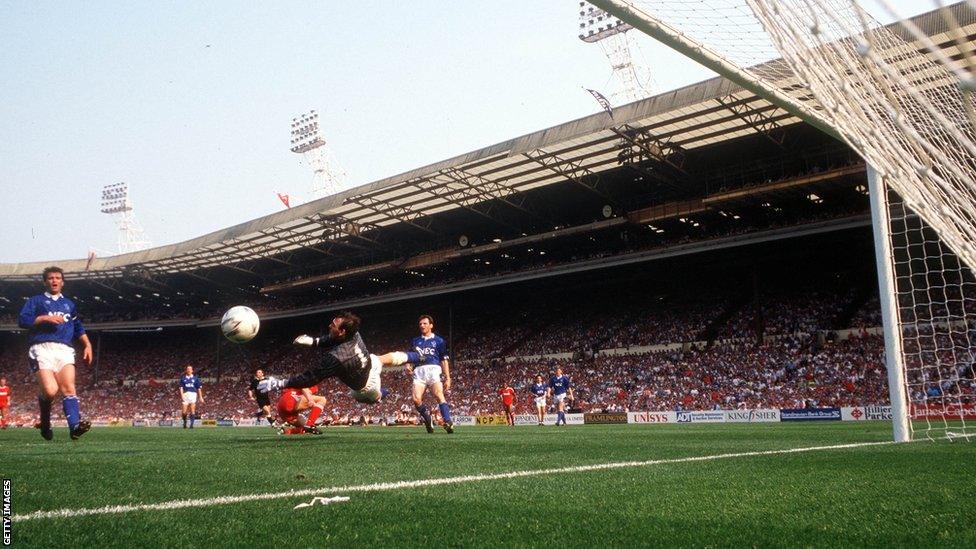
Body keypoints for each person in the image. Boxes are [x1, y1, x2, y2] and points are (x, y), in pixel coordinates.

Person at [258, 311, 402, 405]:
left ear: (342, 331)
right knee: (379, 359)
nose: (329, 325)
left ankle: (416, 358)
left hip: (365, 388)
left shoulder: (338, 358)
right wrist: (314, 342)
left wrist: (279, 383)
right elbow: (332, 339)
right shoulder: (353, 333)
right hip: (366, 365)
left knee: (374, 396)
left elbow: (311, 378)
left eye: (333, 325)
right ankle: (415, 356)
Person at [17, 266, 93, 440]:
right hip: (41, 347)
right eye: (50, 278)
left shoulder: (69, 304)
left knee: (68, 387)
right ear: (45, 282)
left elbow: (77, 326)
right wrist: (44, 318)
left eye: (58, 278)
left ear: (62, 282)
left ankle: (75, 427)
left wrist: (87, 344)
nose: (54, 280)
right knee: (50, 391)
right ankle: (45, 423)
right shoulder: (35, 301)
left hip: (64, 348)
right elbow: (22, 320)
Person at [404, 314, 454, 434]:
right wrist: (408, 365)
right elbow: (410, 357)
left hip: (433, 369)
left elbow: (444, 359)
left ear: (431, 325)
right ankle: (428, 419)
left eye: (425, 323)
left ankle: (448, 421)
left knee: (438, 394)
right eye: (420, 324)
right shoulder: (415, 341)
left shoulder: (439, 341)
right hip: (419, 371)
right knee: (416, 399)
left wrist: (448, 377)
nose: (422, 325)